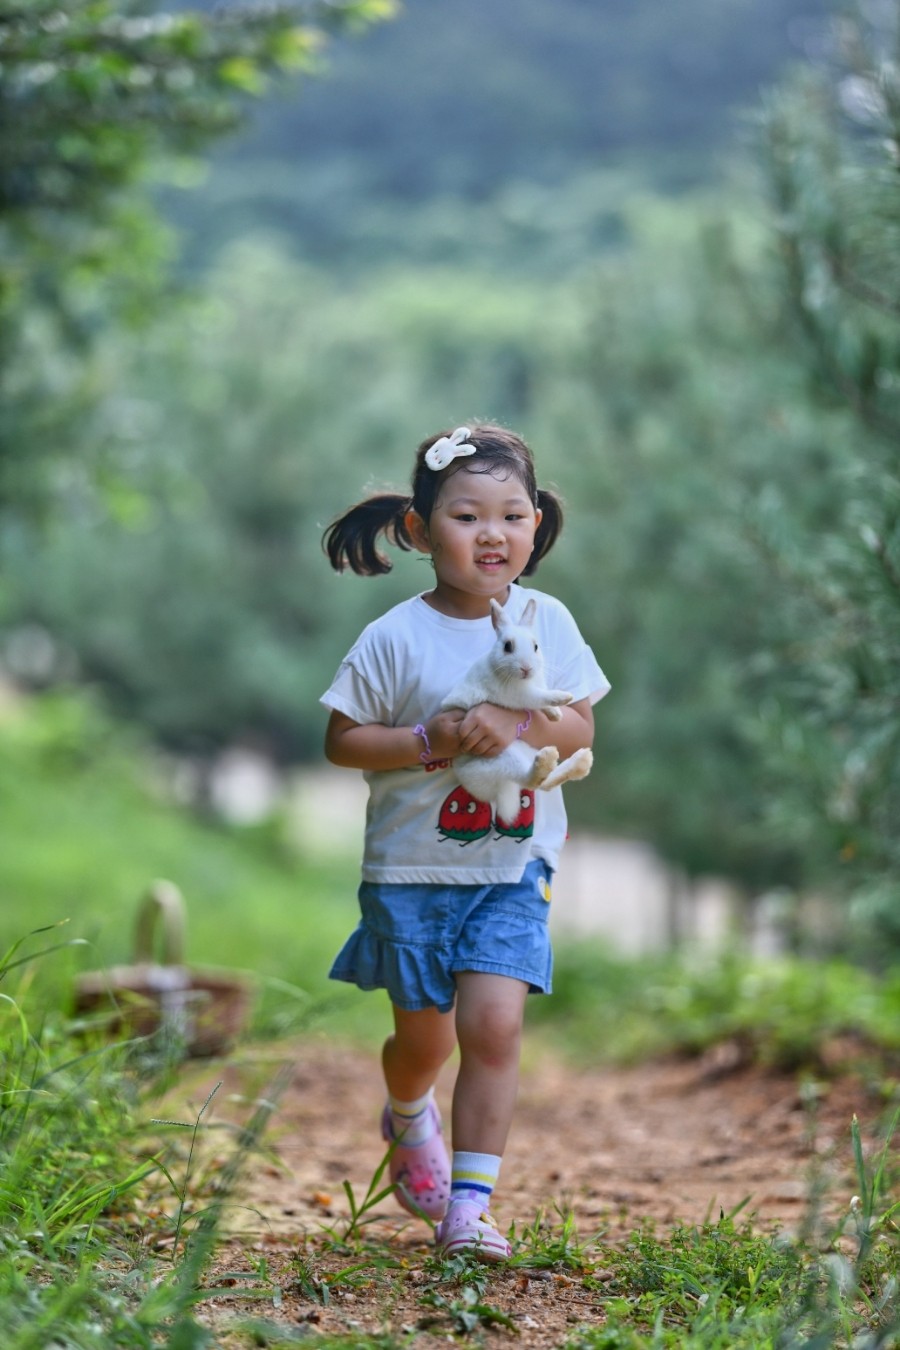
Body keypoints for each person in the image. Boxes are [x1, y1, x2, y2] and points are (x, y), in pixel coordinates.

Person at [320, 422, 610, 1261]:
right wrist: (428, 742)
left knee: (493, 1027)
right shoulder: (394, 637)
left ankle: (469, 1208)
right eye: (467, 515)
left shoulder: (545, 622)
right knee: (425, 1042)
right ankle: (410, 1112)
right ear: (417, 530)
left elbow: (579, 722)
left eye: (513, 516)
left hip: (513, 864)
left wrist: (516, 716)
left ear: (536, 527)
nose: (493, 534)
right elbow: (343, 742)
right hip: (410, 872)